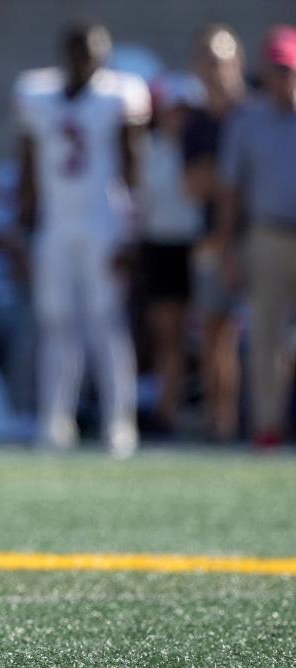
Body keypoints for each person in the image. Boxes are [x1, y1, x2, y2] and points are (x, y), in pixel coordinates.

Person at [15, 22, 150, 457]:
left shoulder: (119, 95)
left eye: (92, 53)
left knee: (105, 322)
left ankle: (118, 422)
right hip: (56, 222)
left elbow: (133, 166)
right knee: (56, 322)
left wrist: (131, 231)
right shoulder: (36, 94)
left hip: (102, 221)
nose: (84, 61)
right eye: (78, 52)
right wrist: (26, 223)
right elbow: (27, 162)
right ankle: (54, 420)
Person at [216, 26, 296, 448]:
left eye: (290, 70)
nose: (285, 78)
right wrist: (229, 248)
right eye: (278, 69)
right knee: (265, 336)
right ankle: (268, 427)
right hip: (266, 235)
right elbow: (231, 191)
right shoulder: (248, 121)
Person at [184, 25, 247, 441]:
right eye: (208, 59)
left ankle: (265, 422)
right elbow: (193, 185)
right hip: (212, 238)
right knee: (213, 333)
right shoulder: (197, 122)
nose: (215, 68)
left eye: (222, 58)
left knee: (268, 336)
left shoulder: (257, 110)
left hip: (259, 235)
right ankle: (221, 423)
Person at [138, 72, 205, 431]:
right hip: (160, 247)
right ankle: (168, 410)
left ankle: (215, 415)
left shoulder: (205, 149)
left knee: (211, 333)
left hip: (196, 246)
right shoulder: (147, 150)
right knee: (168, 336)